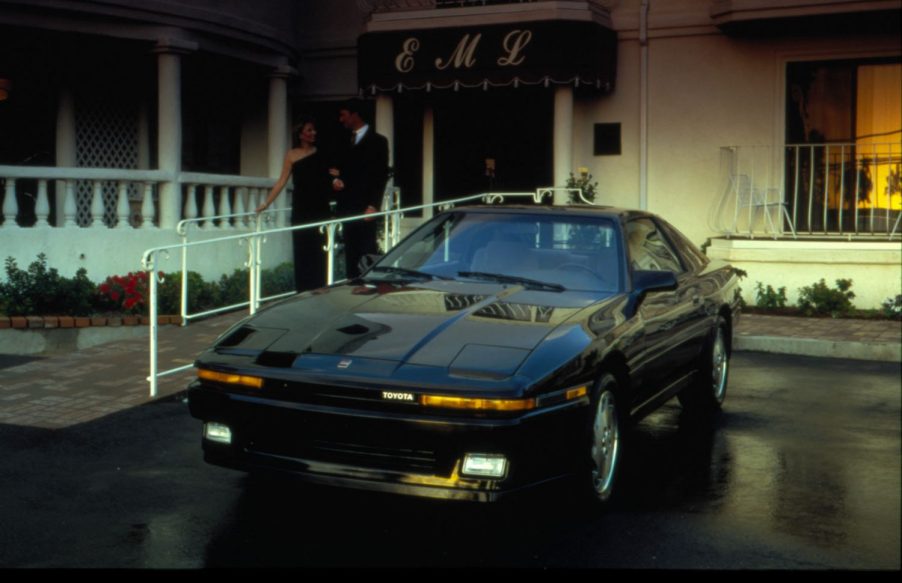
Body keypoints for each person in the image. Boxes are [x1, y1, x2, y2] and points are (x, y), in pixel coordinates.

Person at [256, 117, 332, 292]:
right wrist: (266, 203)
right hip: (302, 206)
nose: (313, 133)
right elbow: (282, 181)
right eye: (309, 130)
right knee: (303, 248)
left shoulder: (320, 152)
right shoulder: (291, 155)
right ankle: (303, 290)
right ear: (300, 134)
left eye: (314, 130)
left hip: (320, 206)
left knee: (319, 249)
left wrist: (335, 178)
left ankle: (321, 288)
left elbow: (327, 177)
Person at [331, 99, 389, 278]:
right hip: (347, 206)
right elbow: (335, 169)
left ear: (355, 115)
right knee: (350, 253)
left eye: (344, 115)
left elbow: (381, 175)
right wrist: (335, 180)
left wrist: (374, 204)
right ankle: (351, 290)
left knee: (366, 254)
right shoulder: (343, 140)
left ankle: (368, 290)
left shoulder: (378, 141)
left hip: (366, 208)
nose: (341, 120)